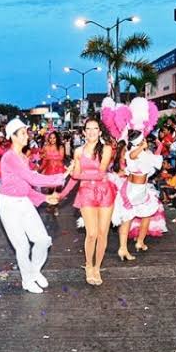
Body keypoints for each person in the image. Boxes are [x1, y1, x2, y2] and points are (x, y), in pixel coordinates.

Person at [0, 119, 67, 294]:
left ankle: (34, 272)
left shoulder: (22, 157)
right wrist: (58, 178)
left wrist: (45, 198)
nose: (26, 135)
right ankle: (27, 280)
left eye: (25, 132)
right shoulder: (9, 157)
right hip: (9, 205)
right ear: (12, 137)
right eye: (22, 133)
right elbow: (33, 179)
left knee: (42, 240)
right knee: (22, 247)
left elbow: (26, 187)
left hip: (24, 202)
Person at [68, 118, 115, 285]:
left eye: (95, 128)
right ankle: (88, 265)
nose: (92, 131)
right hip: (86, 193)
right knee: (92, 233)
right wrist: (61, 194)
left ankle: (97, 267)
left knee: (103, 234)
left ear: (100, 132)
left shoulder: (106, 149)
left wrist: (76, 174)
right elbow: (74, 178)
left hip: (105, 192)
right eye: (88, 129)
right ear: (83, 132)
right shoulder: (78, 151)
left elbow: (100, 173)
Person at [110, 131, 162, 261]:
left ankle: (140, 241)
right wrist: (142, 147)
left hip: (141, 190)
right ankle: (123, 248)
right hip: (134, 191)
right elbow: (133, 155)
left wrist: (159, 146)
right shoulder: (132, 153)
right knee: (128, 218)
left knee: (147, 214)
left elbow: (156, 160)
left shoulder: (145, 154)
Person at [40, 130, 65, 216]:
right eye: (50, 138)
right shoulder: (46, 147)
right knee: (50, 190)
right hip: (49, 170)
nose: (52, 139)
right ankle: (51, 205)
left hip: (59, 170)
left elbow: (61, 157)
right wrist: (40, 169)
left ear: (56, 138)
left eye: (54, 138)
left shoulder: (60, 147)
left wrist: (47, 156)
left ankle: (55, 207)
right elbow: (43, 159)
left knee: (58, 190)